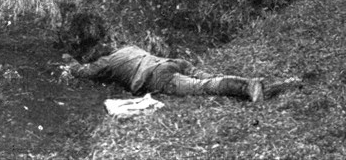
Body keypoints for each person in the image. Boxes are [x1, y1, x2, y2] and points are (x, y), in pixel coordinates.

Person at [62, 45, 264, 102]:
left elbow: (84, 72)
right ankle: (251, 85)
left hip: (157, 76)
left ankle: (248, 86)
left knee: (202, 88)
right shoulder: (128, 48)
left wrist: (70, 63)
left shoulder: (107, 62)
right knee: (205, 78)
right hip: (172, 63)